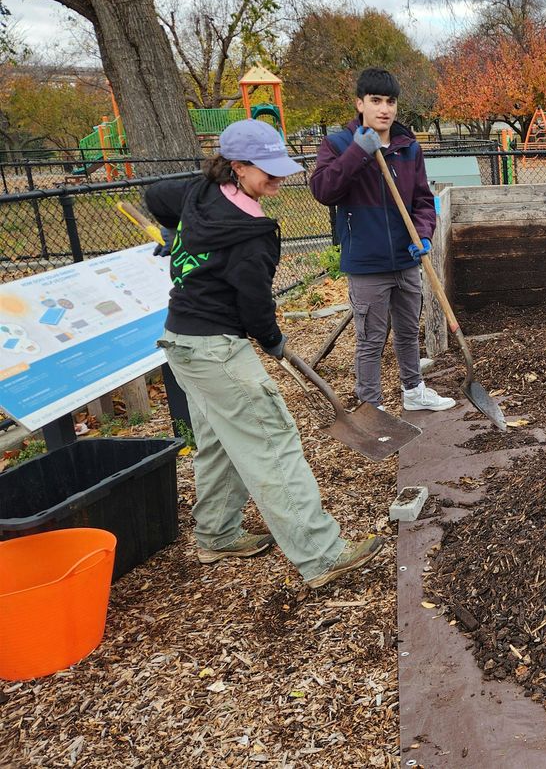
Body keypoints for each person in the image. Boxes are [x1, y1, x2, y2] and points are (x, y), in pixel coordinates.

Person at [146, 119, 382, 589]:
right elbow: (254, 306)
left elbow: (156, 196)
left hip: (182, 343)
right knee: (271, 440)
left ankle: (216, 532)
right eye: (267, 172)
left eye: (280, 169)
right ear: (236, 167)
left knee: (219, 439)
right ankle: (321, 553)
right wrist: (272, 339)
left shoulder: (199, 191)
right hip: (216, 349)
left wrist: (178, 236)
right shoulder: (253, 233)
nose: (278, 179)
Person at [310, 68, 455, 412]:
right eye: (376, 101)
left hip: (406, 259)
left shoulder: (407, 148)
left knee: (407, 332)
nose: (384, 109)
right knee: (371, 340)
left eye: (390, 101)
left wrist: (422, 234)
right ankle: (371, 407)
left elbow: (422, 200)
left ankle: (413, 390)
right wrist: (358, 152)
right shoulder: (339, 145)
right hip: (367, 262)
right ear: (360, 103)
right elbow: (323, 190)